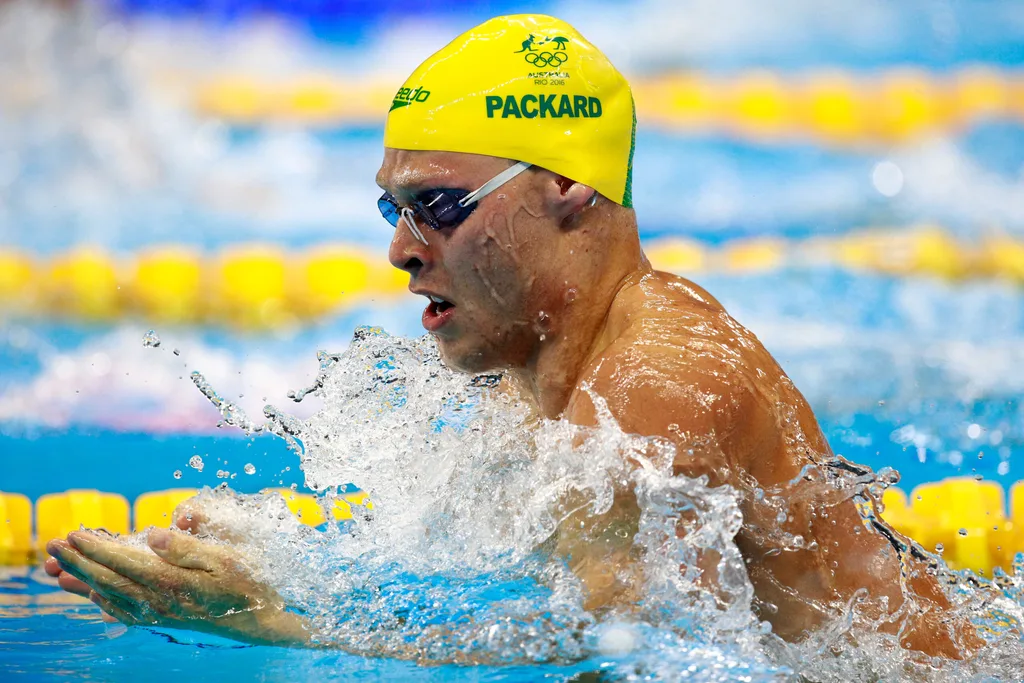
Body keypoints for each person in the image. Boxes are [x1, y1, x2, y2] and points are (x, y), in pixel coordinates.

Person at [45, 13, 977, 660]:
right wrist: (275, 550)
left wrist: (284, 621)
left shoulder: (661, 387)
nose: (401, 251)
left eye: (437, 207)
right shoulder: (530, 361)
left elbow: (637, 653)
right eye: (391, 206)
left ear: (565, 185)